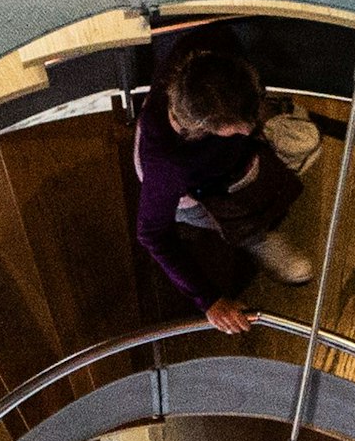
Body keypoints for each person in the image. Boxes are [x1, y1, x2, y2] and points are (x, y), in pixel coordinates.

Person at [131, 25, 317, 336]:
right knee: (232, 216)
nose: (247, 130)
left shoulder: (207, 45)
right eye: (234, 128)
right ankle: (253, 237)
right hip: (196, 193)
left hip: (222, 161)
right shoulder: (167, 166)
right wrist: (210, 300)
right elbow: (152, 234)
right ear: (202, 128)